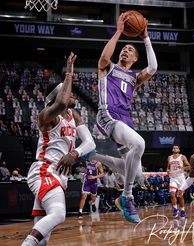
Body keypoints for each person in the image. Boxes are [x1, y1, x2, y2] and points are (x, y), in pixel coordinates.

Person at [21, 52, 96, 246]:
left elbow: (90, 143)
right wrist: (69, 73)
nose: (72, 93)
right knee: (59, 214)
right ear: (57, 95)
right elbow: (61, 102)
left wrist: (74, 153)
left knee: (44, 238)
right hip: (45, 170)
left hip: (57, 175)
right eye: (67, 90)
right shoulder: (47, 116)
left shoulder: (74, 115)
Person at [96, 12, 157, 223]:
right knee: (139, 144)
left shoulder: (135, 78)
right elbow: (104, 58)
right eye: (124, 48)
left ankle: (88, 155)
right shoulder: (108, 68)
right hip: (108, 115)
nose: (125, 49)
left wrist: (145, 38)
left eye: (130, 49)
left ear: (135, 59)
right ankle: (127, 197)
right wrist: (119, 32)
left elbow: (154, 68)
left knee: (136, 173)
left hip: (125, 120)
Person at [167, 145, 190, 218]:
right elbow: (168, 167)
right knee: (172, 194)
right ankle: (175, 209)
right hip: (173, 178)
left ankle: (182, 210)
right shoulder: (169, 157)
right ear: (172, 149)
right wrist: (167, 170)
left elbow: (189, 166)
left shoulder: (182, 157)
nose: (175, 149)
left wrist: (182, 168)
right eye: (173, 148)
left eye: (176, 148)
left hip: (181, 178)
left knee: (180, 196)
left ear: (179, 150)